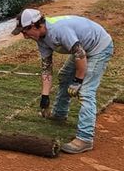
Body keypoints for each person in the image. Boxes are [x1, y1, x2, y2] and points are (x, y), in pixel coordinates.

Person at [12, 8, 113, 154]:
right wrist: (45, 97)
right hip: (82, 49)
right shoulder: (41, 38)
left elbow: (81, 55)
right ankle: (59, 114)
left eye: (25, 32)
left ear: (35, 26)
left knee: (85, 91)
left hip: (99, 47)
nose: (25, 36)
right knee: (65, 76)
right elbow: (47, 68)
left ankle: (85, 139)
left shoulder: (59, 31)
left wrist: (78, 81)